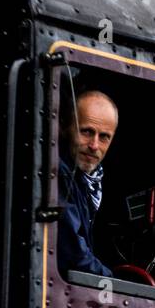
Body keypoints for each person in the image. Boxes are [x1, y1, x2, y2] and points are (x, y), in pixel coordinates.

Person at [57, 88, 118, 278]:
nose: (94, 145)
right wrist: (116, 285)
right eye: (87, 132)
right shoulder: (59, 173)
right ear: (65, 128)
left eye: (104, 137)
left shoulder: (90, 183)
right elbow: (73, 255)